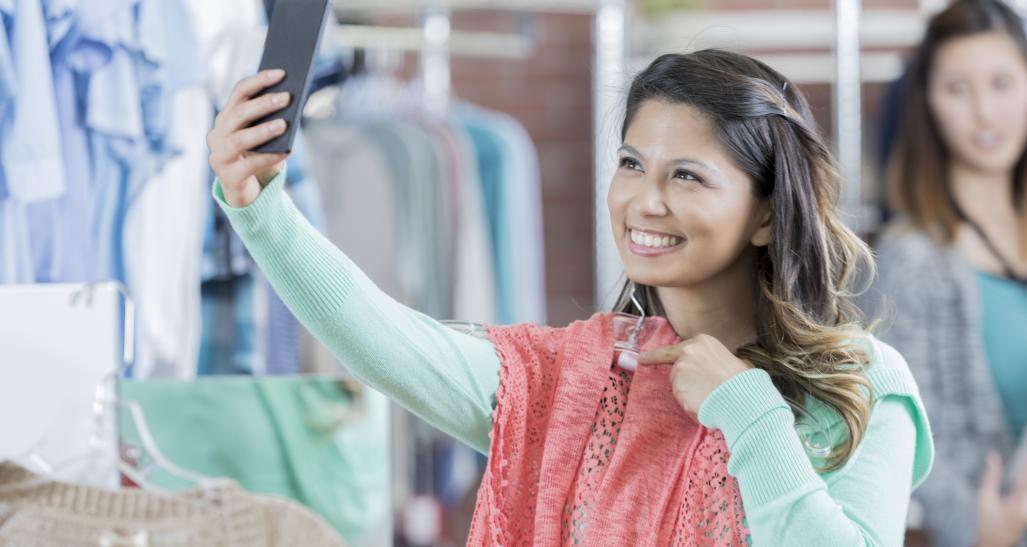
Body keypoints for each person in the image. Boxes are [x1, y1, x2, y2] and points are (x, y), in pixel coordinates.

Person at [206, 49, 933, 545]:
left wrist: (746, 410)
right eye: (630, 164)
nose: (644, 201)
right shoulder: (564, 381)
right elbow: (387, 339)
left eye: (687, 175)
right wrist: (262, 209)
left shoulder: (862, 384)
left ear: (768, 213)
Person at [870, 1, 1027, 546]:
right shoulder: (913, 259)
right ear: (928, 106)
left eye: (1003, 83)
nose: (985, 112)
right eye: (957, 89)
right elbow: (908, 438)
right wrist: (982, 530)